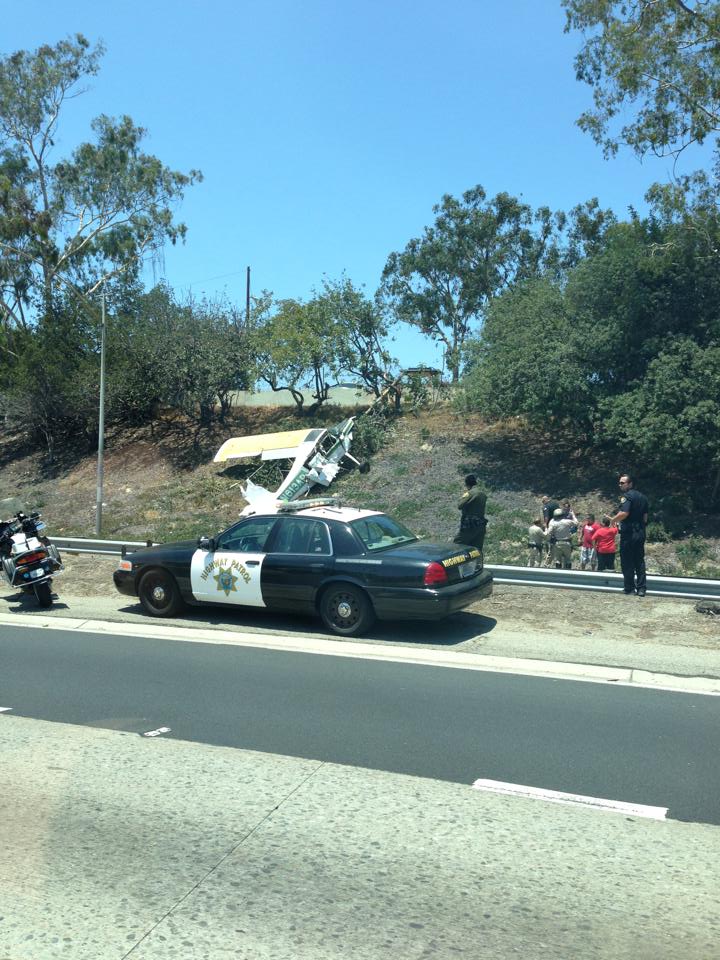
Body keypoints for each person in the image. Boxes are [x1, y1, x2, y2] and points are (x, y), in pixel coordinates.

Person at [610, 473, 649, 596]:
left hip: (629, 533)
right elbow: (645, 517)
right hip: (640, 533)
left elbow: (624, 513)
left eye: (622, 483)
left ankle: (629, 588)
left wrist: (613, 520)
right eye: (619, 483)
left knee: (627, 561)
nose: (620, 485)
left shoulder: (626, 497)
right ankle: (642, 588)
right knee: (639, 560)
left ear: (630, 484)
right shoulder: (643, 498)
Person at [453, 474, 488, 551]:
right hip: (481, 525)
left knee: (457, 545)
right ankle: (476, 563)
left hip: (470, 525)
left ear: (467, 484)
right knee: (476, 550)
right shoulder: (482, 494)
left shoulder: (470, 493)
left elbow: (460, 505)